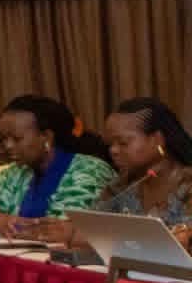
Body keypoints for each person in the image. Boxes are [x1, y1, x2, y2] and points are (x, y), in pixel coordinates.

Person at [27, 97, 192, 251]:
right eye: (110, 144)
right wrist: (64, 229)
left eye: (123, 143)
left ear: (157, 139)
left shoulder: (187, 184)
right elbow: (92, 228)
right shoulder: (121, 186)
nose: (113, 151)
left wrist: (76, 236)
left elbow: (178, 244)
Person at [0, 94, 118, 236]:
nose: (8, 146)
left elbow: (56, 232)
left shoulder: (90, 171)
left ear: (46, 137)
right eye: (4, 139)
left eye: (16, 138)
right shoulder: (12, 173)